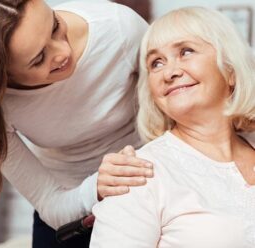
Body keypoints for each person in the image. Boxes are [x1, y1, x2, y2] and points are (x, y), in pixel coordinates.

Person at [0, 0, 154, 247]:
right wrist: (98, 187)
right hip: (70, 207)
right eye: (39, 58)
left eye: (55, 26)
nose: (63, 52)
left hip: (150, 182)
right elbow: (51, 204)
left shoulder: (117, 29)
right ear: (1, 77)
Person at [90, 6, 255, 248]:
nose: (169, 72)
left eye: (186, 51)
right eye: (156, 63)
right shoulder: (139, 174)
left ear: (230, 69)